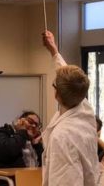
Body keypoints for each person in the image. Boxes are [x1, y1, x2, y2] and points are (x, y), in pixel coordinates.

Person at [41, 30, 99, 186]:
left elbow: (66, 181)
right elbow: (70, 80)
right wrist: (54, 50)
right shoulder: (85, 110)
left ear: (56, 94)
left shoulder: (62, 136)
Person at [0, 111, 43, 186]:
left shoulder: (31, 143)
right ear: (19, 121)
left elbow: (43, 165)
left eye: (37, 125)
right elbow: (10, 150)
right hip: (0, 183)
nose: (33, 126)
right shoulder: (0, 133)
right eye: (30, 121)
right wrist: (22, 131)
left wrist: (37, 146)